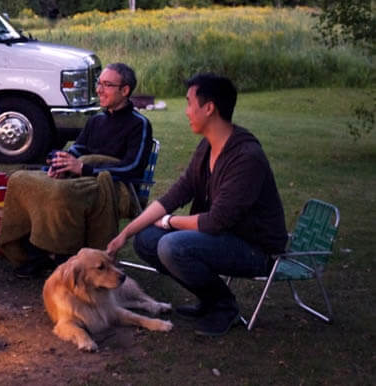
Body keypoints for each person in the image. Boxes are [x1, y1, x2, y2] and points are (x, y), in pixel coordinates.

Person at [106, 73, 287, 337]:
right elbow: (174, 196)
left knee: (172, 245)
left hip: (256, 249)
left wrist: (170, 222)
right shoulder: (208, 147)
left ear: (209, 107)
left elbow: (215, 222)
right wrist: (125, 233)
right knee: (145, 240)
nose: (187, 111)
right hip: (223, 238)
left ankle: (224, 307)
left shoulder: (246, 158)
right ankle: (210, 300)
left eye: (190, 103)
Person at [2, 62, 153, 278]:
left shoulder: (139, 124)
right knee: (20, 179)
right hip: (80, 178)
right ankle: (33, 254)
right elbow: (76, 149)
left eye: (107, 85)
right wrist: (58, 163)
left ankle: (64, 257)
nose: (99, 90)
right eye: (99, 84)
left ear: (125, 90)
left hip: (114, 186)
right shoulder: (97, 120)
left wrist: (84, 167)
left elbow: (133, 167)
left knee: (62, 193)